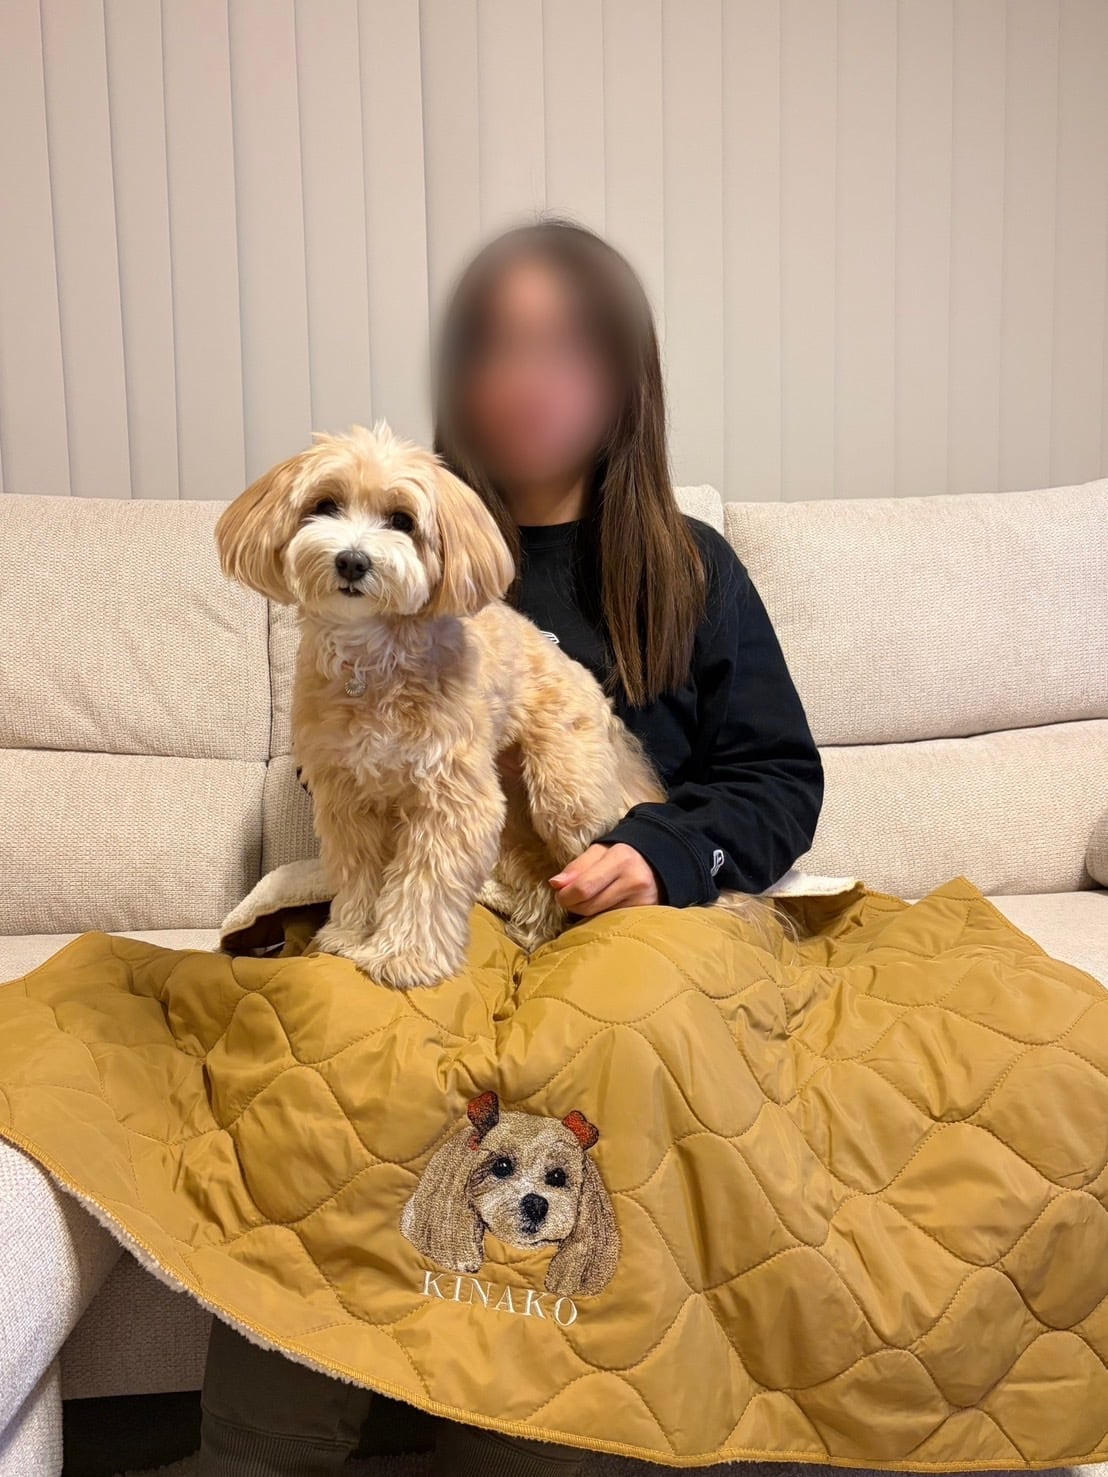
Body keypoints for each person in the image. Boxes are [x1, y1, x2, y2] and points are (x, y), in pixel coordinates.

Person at [198, 218, 823, 1477]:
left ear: (625, 377)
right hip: (440, 903)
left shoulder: (690, 568)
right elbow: (353, 784)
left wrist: (667, 851)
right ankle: (261, 1455)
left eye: (566, 345)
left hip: (616, 903)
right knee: (327, 1048)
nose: (528, 376)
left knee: (596, 1063)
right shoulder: (377, 550)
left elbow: (778, 777)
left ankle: (539, 1443)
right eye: (496, 344)